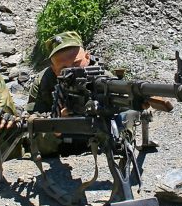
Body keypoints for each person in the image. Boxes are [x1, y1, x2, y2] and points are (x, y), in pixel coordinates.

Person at [26, 31, 173, 156]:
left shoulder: (103, 79)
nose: (72, 71)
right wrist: (57, 126)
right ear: (53, 69)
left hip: (98, 142)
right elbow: (30, 130)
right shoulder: (43, 83)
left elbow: (126, 112)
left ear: (88, 57)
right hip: (59, 148)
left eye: (77, 64)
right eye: (64, 68)